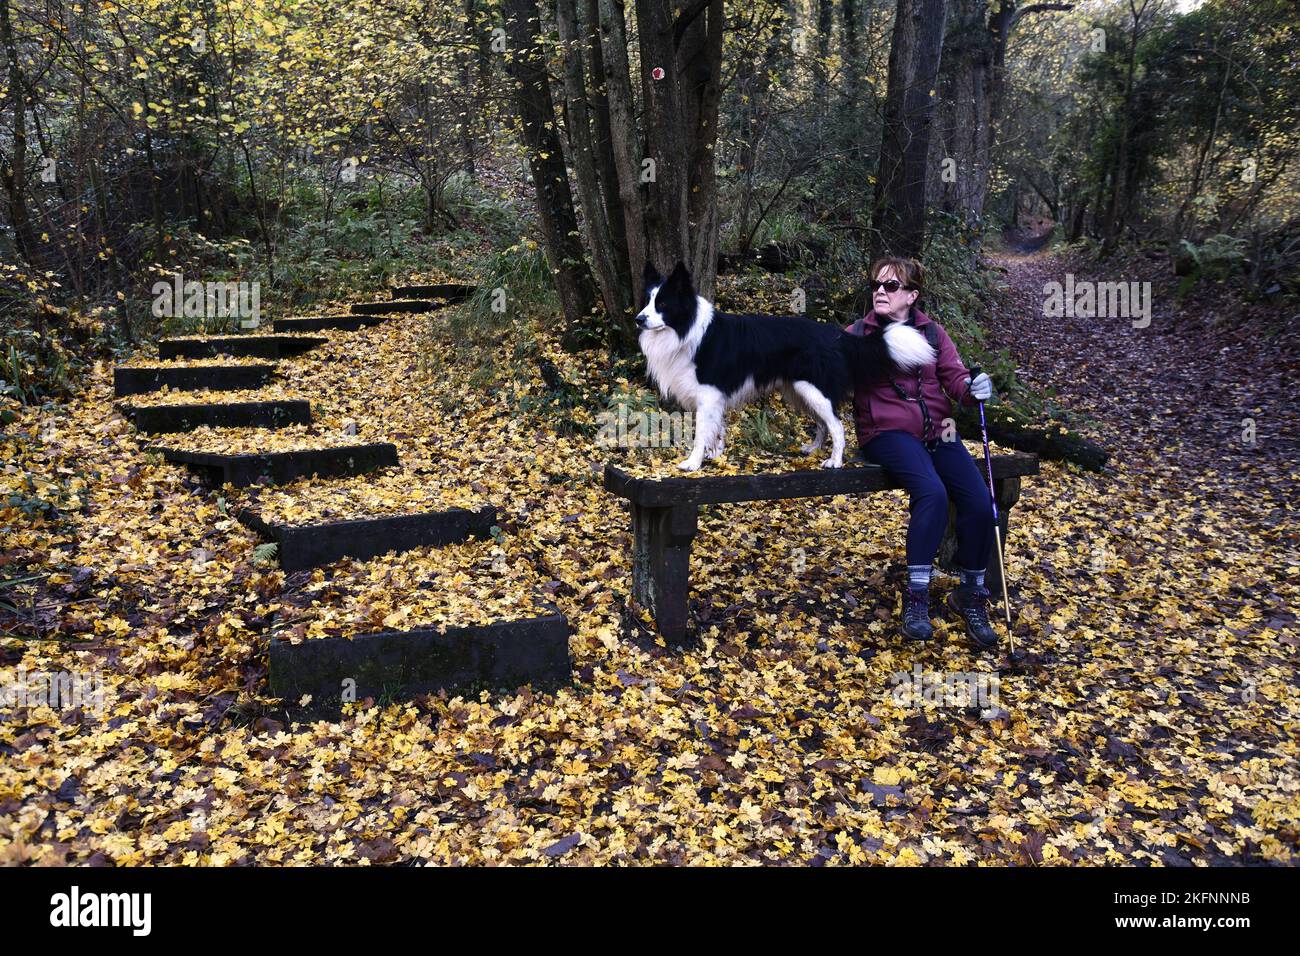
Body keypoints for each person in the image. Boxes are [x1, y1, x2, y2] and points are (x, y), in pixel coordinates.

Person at [843, 256, 998, 648]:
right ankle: (916, 599)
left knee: (979, 500)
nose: (880, 291)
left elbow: (956, 379)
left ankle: (971, 594)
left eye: (891, 286)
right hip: (887, 432)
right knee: (932, 492)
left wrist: (974, 388)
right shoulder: (858, 334)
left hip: (939, 431)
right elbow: (831, 376)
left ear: (911, 295)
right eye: (876, 285)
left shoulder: (933, 334)